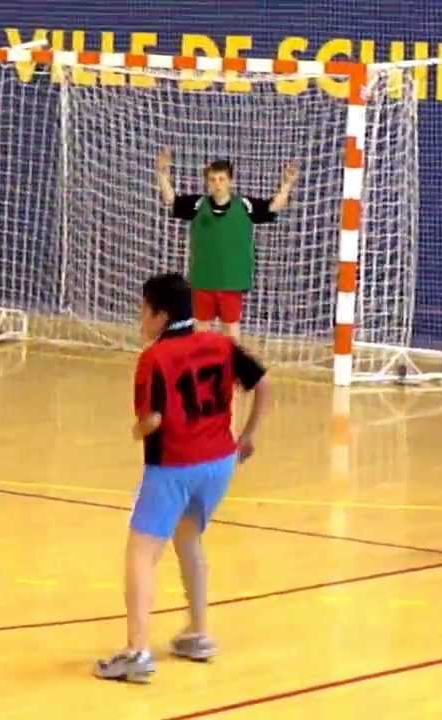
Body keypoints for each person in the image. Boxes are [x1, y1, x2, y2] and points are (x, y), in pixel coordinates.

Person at [95, 272, 270, 684]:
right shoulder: (221, 344)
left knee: (141, 551)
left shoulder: (154, 359)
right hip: (218, 463)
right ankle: (198, 632)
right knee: (188, 538)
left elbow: (151, 421)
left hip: (173, 465)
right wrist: (249, 435)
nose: (139, 317)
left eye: (143, 310)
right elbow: (263, 383)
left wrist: (138, 429)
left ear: (160, 314)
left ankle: (137, 650)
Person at [156, 150, 299, 340]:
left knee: (231, 330)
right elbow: (170, 199)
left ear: (230, 181)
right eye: (213, 179)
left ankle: (232, 367)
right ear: (207, 182)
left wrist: (287, 184)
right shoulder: (198, 204)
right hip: (203, 280)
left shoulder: (245, 205)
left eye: (222, 179)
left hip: (231, 281)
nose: (217, 184)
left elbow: (274, 206)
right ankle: (202, 366)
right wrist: (161, 174)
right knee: (201, 329)